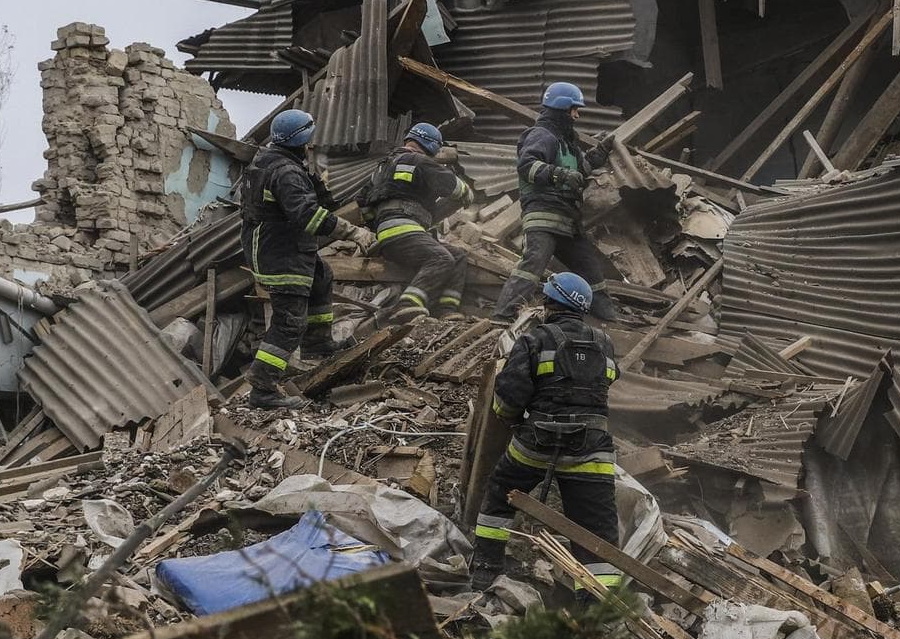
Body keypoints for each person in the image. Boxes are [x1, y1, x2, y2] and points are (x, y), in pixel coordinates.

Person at [471, 272, 621, 586]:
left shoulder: (534, 339)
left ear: (549, 303)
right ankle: (600, 606)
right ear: (583, 309)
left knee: (500, 492)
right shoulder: (604, 343)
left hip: (535, 445)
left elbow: (509, 397)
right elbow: (611, 378)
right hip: (592, 454)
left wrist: (513, 422)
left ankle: (485, 571)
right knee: (598, 530)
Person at [239, 108, 376, 410]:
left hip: (280, 248)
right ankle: (262, 388)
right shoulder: (285, 172)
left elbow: (318, 200)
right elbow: (308, 217)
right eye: (310, 140)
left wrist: (319, 184)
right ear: (302, 139)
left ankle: (317, 343)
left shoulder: (274, 163)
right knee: (289, 322)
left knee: (321, 276)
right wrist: (353, 232)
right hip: (280, 253)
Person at [490, 82, 617, 321]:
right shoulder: (541, 135)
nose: (577, 116)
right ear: (561, 108)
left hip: (568, 222)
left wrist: (598, 154)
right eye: (574, 110)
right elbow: (527, 166)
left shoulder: (567, 144)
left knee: (591, 270)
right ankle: (501, 317)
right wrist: (560, 175)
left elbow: (579, 171)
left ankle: (610, 320)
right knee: (533, 266)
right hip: (543, 216)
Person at [361, 121, 473, 319]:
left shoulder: (379, 169)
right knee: (440, 258)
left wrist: (375, 225)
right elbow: (455, 188)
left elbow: (362, 201)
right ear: (431, 146)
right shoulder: (420, 162)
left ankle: (446, 310)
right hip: (405, 231)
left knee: (458, 256)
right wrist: (467, 192)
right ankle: (406, 304)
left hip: (387, 236)